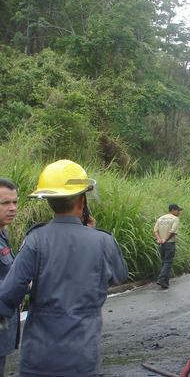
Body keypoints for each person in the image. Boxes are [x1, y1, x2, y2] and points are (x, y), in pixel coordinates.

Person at [0, 160, 128, 376]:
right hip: (82, 356)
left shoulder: (35, 240)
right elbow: (119, 276)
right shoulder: (103, 242)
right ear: (81, 201)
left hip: (39, 357)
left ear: (49, 201)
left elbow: (9, 293)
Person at [0, 179, 19, 376]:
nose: (12, 208)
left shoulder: (3, 234)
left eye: (15, 202)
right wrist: (21, 283)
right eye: (5, 203)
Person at [154, 203, 182, 289]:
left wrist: (159, 239)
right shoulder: (175, 219)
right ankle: (162, 279)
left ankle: (165, 283)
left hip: (161, 243)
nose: (179, 212)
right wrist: (165, 239)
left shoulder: (161, 218)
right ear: (173, 210)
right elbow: (173, 231)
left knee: (164, 262)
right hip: (169, 243)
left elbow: (155, 230)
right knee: (168, 262)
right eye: (178, 210)